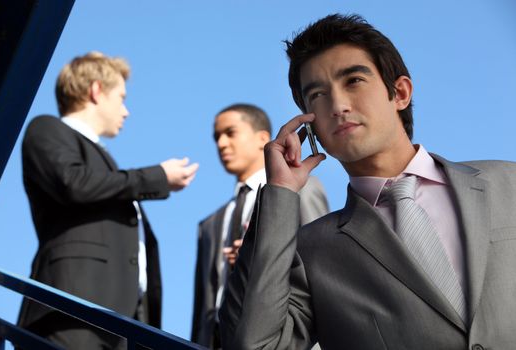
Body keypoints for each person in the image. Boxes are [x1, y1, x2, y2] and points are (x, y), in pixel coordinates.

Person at [219, 14, 516, 349]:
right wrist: (279, 193)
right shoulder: (312, 251)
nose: (338, 105)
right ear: (309, 127)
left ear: (400, 92)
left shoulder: (509, 181)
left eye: (354, 81)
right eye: (317, 95)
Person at [17, 52, 199, 349]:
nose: (126, 111)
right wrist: (158, 177)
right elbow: (74, 183)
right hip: (72, 310)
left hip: (120, 322)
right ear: (96, 90)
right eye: (122, 97)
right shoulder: (46, 128)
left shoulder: (104, 160)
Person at [191, 103, 329, 349]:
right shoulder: (210, 225)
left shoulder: (302, 191)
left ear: (262, 138)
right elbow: (203, 305)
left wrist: (255, 255)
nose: (221, 144)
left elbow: (320, 267)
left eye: (230, 133)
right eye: (217, 137)